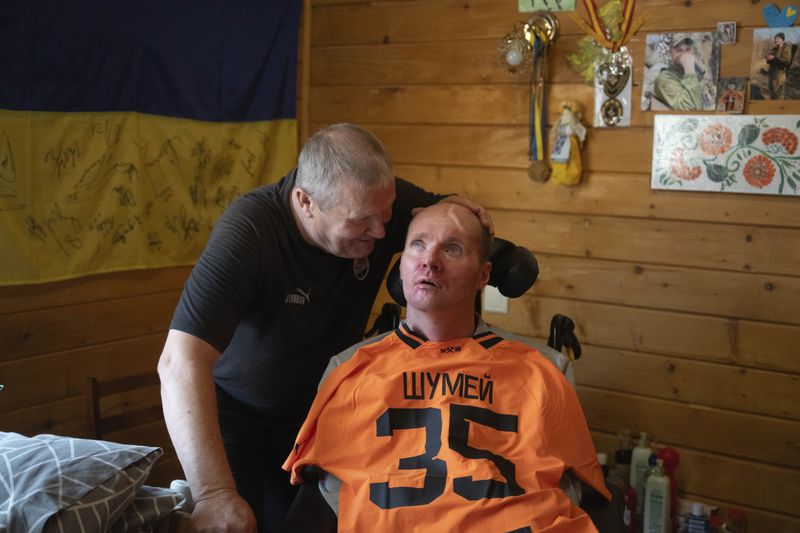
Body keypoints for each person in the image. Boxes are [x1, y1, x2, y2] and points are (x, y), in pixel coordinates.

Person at [158, 123, 493, 532]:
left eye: (386, 212)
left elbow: (446, 218)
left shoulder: (374, 199)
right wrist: (212, 494)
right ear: (306, 202)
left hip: (323, 417)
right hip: (240, 417)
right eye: (362, 221)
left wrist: (466, 213)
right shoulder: (249, 231)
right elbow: (179, 362)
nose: (382, 231)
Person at [283, 203, 612, 532]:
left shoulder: (544, 368)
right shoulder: (348, 369)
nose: (429, 261)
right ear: (401, 268)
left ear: (483, 275)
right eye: (418, 244)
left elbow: (581, 490)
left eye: (452, 249)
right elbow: (324, 493)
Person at [652, 34, 703, 110]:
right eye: (679, 50)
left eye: (688, 49)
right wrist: (689, 69)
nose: (684, 54)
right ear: (670, 53)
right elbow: (690, 109)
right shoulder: (664, 79)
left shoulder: (696, 72)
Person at [767, 32, 793, 100]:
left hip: (779, 77)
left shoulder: (786, 48)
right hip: (771, 76)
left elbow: (787, 61)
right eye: (775, 38)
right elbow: (771, 61)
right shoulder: (774, 49)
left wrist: (774, 58)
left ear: (783, 39)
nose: (776, 40)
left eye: (778, 38)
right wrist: (768, 58)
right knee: (772, 95)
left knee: (779, 97)